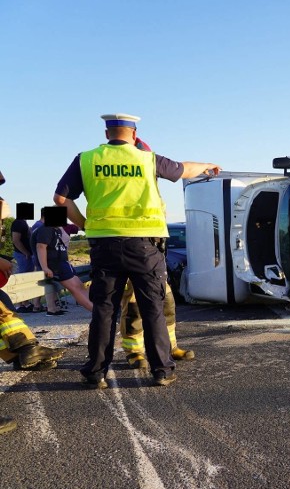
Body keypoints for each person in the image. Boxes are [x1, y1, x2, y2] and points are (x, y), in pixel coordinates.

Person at [53, 113, 220, 388]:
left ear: (107, 134)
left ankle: (96, 374)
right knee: (152, 307)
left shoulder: (86, 159)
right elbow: (183, 169)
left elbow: (60, 199)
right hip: (145, 247)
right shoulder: (147, 158)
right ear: (134, 134)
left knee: (104, 311)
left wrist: (86, 225)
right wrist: (206, 166)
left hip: (104, 245)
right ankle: (162, 371)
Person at [0, 169, 67, 435]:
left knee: (4, 308)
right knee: (4, 311)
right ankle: (26, 350)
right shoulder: (28, 226)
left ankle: (23, 352)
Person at [119, 137, 194, 370]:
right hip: (131, 252)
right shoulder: (126, 190)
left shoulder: (149, 190)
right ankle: (134, 351)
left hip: (153, 255)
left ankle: (170, 346)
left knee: (166, 303)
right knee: (133, 308)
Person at [32, 207, 94, 314]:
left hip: (63, 263)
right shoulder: (45, 228)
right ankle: (97, 312)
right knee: (76, 289)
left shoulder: (56, 230)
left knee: (80, 286)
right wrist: (45, 267)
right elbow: (41, 247)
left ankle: (99, 309)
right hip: (55, 265)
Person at [10, 209, 37, 312]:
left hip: (26, 254)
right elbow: (16, 240)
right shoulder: (18, 223)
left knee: (26, 278)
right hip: (22, 255)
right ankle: (20, 304)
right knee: (23, 279)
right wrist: (25, 252)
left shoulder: (23, 222)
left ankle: (24, 303)